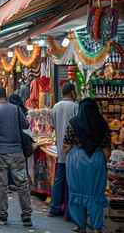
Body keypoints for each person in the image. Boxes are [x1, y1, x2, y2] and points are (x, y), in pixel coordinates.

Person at [0, 86, 32, 227]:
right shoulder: (16, 109)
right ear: (6, 95)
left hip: (1, 152)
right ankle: (26, 216)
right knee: (22, 184)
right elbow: (26, 124)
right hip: (17, 152)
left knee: (1, 185)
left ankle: (2, 216)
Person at [63, 98, 111, 233]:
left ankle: (81, 226)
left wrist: (73, 156)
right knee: (95, 195)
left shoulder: (73, 123)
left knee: (77, 194)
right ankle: (97, 229)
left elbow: (66, 144)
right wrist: (101, 162)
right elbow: (107, 148)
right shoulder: (103, 124)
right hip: (96, 159)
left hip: (76, 160)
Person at [48, 83, 78, 220]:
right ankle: (70, 212)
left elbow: (53, 125)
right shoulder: (76, 107)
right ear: (72, 92)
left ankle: (54, 207)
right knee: (73, 181)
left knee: (60, 179)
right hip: (74, 149)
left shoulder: (56, 107)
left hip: (60, 147)